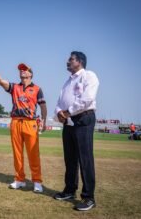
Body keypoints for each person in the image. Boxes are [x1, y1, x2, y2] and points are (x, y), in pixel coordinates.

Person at [0, 62, 47, 193]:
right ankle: (19, 180)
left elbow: (43, 106)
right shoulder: (15, 87)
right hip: (15, 122)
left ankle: (37, 181)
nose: (22, 71)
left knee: (33, 154)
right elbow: (1, 82)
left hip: (30, 123)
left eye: (25, 69)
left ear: (31, 74)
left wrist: (44, 120)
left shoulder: (37, 89)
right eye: (20, 70)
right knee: (17, 154)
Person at [53, 51, 99, 211]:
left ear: (80, 62)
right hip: (69, 122)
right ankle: (70, 190)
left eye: (71, 59)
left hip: (83, 120)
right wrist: (59, 112)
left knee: (85, 159)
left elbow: (87, 99)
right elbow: (60, 101)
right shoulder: (67, 82)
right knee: (70, 158)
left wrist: (68, 111)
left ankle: (88, 197)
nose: (67, 61)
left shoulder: (89, 76)